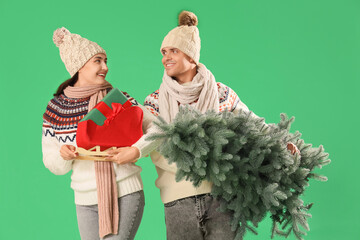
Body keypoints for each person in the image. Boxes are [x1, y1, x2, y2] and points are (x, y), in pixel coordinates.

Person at [112, 11, 299, 240]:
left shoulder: (221, 94)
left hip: (222, 199)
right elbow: (154, 136)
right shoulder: (154, 100)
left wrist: (281, 142)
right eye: (163, 52)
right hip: (177, 201)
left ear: (191, 56)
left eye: (173, 51)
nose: (165, 57)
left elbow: (253, 124)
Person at [42, 27, 154, 240]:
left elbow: (159, 130)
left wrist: (136, 151)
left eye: (105, 60)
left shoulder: (117, 100)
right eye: (98, 61)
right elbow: (51, 160)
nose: (106, 67)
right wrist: (62, 155)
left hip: (125, 192)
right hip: (84, 200)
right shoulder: (56, 109)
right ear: (79, 66)